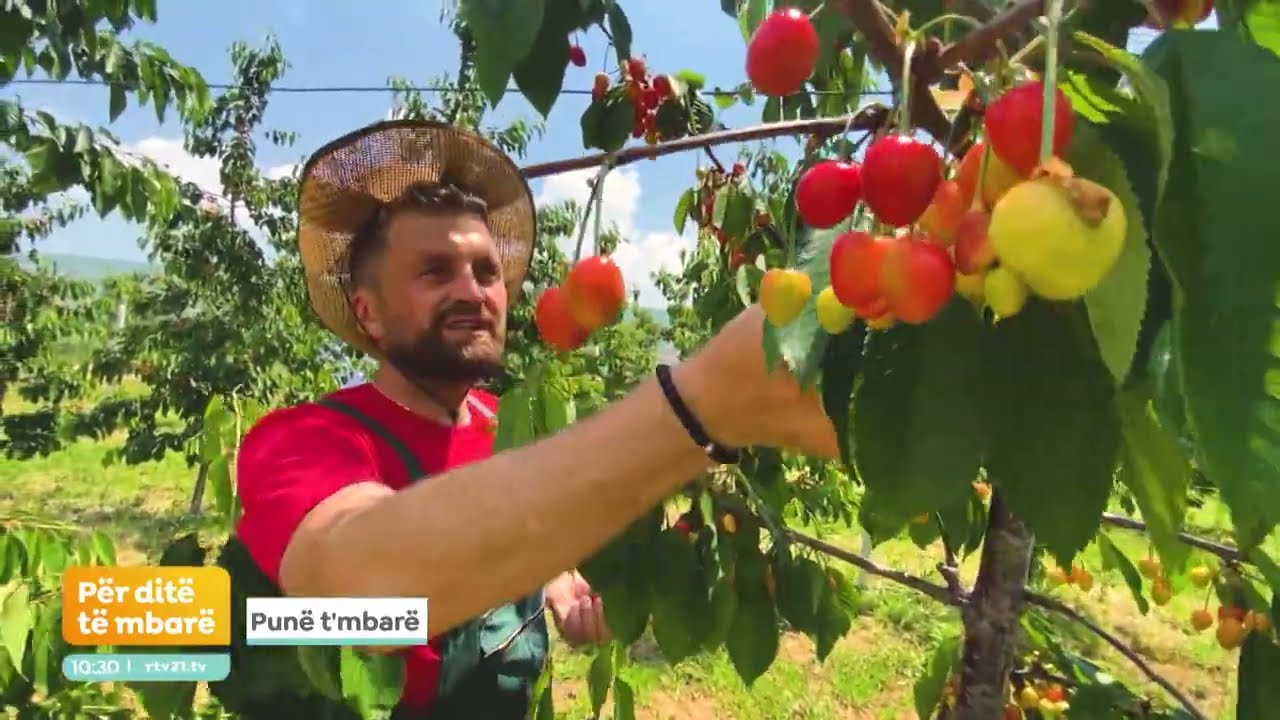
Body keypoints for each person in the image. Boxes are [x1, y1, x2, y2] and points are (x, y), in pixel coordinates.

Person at [233, 119, 838, 720]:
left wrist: (552, 579)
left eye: (487, 271)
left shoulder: (508, 427)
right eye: (434, 271)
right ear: (368, 313)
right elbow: (355, 594)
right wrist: (698, 408)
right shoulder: (306, 439)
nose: (474, 292)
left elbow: (507, 527)